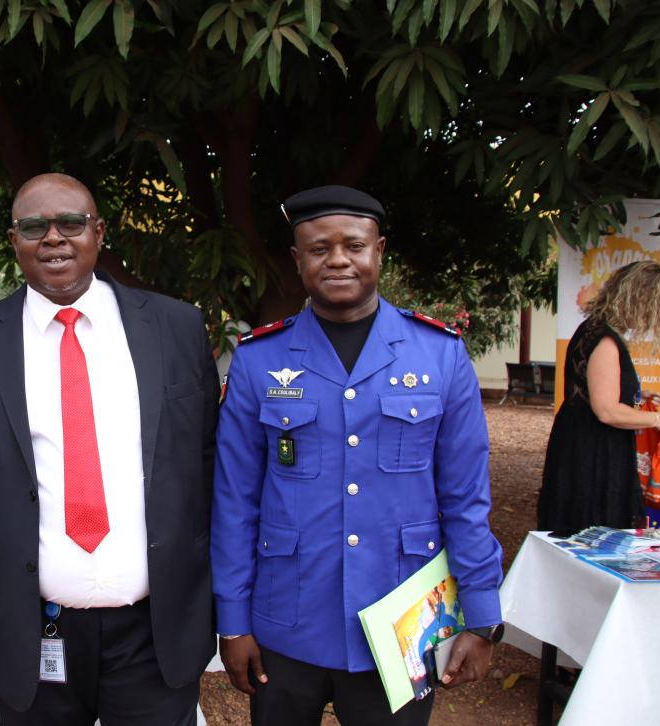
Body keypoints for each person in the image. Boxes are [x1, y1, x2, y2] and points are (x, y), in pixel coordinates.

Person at [0, 172, 219, 725]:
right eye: (34, 227)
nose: (53, 238)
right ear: (14, 242)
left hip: (156, 631)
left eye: (70, 224)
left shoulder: (174, 327)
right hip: (31, 633)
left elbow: (208, 466)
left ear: (98, 233)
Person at [211, 185, 505, 725]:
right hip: (286, 620)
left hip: (402, 622)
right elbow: (235, 502)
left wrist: (482, 617)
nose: (338, 259)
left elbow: (466, 497)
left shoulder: (439, 355)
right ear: (298, 260)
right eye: (319, 249)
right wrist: (232, 622)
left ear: (380, 251)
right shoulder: (260, 361)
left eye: (354, 245)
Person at [537, 260, 660, 535]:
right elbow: (607, 411)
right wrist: (657, 419)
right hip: (594, 453)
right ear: (641, 301)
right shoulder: (606, 340)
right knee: (592, 530)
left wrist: (637, 394)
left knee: (577, 528)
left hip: (580, 443)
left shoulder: (591, 329)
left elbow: (593, 389)